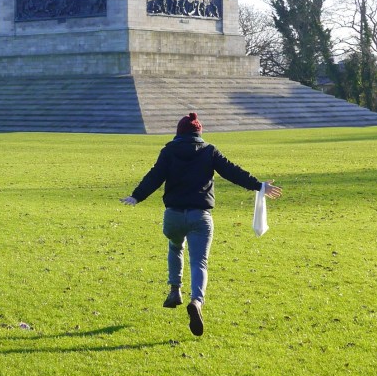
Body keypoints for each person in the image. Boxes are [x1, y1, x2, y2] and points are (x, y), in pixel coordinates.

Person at [120, 111, 282, 337]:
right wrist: (259, 186)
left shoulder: (169, 151)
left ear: (179, 132)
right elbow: (232, 171)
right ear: (199, 132)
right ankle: (196, 301)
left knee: (176, 246)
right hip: (200, 216)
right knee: (199, 262)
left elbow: (154, 176)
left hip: (174, 215)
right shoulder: (209, 151)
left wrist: (136, 196)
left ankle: (174, 290)